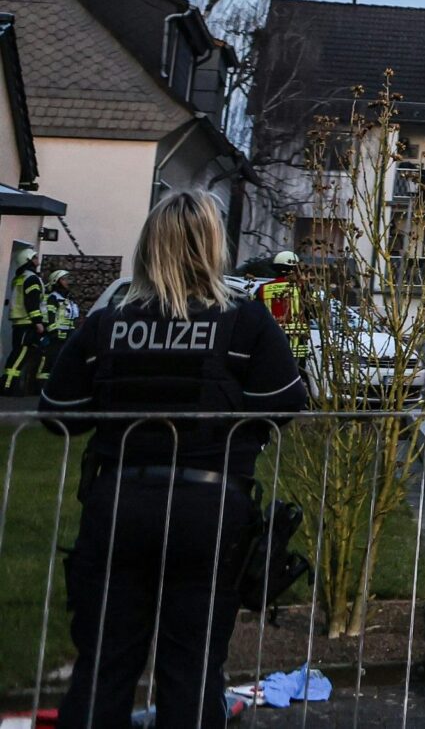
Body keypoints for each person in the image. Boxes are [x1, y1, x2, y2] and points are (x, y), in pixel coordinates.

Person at [42, 189, 306, 729]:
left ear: (147, 246)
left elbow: (58, 411)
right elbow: (283, 403)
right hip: (208, 510)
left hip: (121, 503)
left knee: (104, 666)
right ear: (214, 247)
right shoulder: (244, 323)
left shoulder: (109, 322)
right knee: (191, 669)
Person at [4, 251, 47, 393]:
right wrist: (38, 321)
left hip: (19, 321)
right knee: (20, 354)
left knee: (18, 352)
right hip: (27, 322)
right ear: (28, 260)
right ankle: (8, 385)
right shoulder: (32, 278)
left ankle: (10, 384)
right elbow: (32, 302)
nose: (37, 259)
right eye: (34, 257)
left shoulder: (19, 278)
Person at [256, 252, 308, 359]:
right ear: (295, 269)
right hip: (296, 344)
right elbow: (312, 313)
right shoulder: (302, 289)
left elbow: (255, 315)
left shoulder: (262, 289)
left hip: (269, 341)